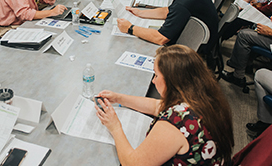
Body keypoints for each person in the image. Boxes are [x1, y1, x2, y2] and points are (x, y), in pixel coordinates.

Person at [95, 45, 234, 165]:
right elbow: (157, 106)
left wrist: (115, 127)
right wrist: (119, 98)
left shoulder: (178, 123)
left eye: (156, 75)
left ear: (171, 81)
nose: (154, 82)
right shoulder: (203, 98)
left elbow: (132, 163)